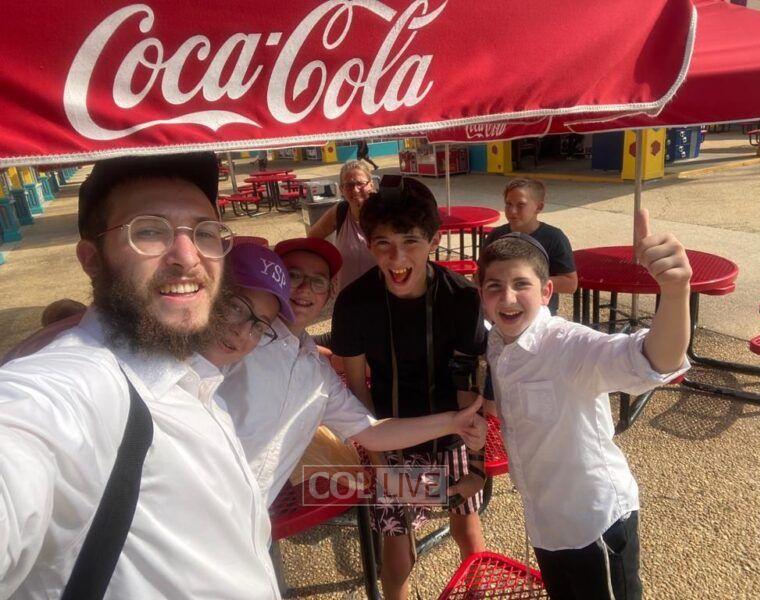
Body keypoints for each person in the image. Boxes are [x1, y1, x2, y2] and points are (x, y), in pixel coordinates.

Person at [0, 153, 285, 598]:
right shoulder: (74, 388)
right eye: (149, 231)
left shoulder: (192, 376)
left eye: (204, 233)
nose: (187, 257)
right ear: (92, 259)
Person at [477, 209, 692, 600]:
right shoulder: (496, 341)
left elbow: (654, 359)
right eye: (494, 286)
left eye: (521, 284)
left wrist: (676, 292)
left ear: (546, 292)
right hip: (545, 523)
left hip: (593, 525)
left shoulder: (568, 346)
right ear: (481, 294)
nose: (506, 298)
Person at [200, 239, 487, 506]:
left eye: (317, 281)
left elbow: (372, 432)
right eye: (293, 275)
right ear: (277, 281)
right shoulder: (239, 340)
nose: (305, 288)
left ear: (329, 292)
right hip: (200, 502)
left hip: (250, 516)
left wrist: (453, 422)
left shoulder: (317, 373)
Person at [331, 178, 488, 600]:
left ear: (434, 241)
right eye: (383, 243)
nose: (397, 258)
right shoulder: (353, 303)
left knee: (466, 527)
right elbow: (357, 388)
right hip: (389, 434)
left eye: (411, 242)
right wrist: (382, 465)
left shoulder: (462, 299)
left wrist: (475, 468)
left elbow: (468, 383)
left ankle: (475, 592)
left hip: (451, 433)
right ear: (368, 243)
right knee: (396, 544)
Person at [484, 178, 577, 314]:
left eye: (521, 205)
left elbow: (570, 284)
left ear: (539, 207)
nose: (512, 211)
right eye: (508, 204)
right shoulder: (496, 235)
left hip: (539, 310)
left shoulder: (554, 237)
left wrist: (524, 284)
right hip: (500, 308)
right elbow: (480, 275)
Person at [307, 160, 377, 291]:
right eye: (349, 185)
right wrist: (327, 269)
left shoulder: (385, 213)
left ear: (371, 184)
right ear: (341, 190)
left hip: (381, 297)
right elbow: (313, 238)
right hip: (346, 296)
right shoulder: (340, 212)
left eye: (360, 183)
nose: (355, 190)